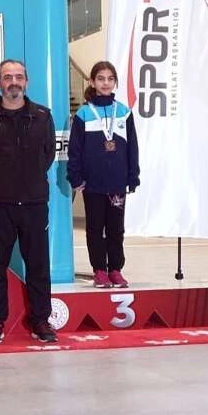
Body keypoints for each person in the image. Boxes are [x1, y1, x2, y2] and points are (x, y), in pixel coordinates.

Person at [0, 59, 58, 344]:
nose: (14, 82)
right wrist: (2, 180)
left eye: (19, 76)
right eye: (7, 77)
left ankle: (41, 319)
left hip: (34, 203)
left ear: (27, 82)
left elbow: (48, 154)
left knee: (38, 263)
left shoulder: (43, 116)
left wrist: (28, 179)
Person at [67, 61, 140, 289]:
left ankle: (115, 269)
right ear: (92, 82)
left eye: (110, 79)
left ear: (115, 82)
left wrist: (133, 175)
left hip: (117, 183)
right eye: (100, 79)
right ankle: (99, 270)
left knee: (116, 229)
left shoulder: (124, 112)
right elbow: (75, 149)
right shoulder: (84, 114)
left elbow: (132, 147)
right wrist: (76, 177)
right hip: (92, 184)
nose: (105, 83)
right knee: (95, 228)